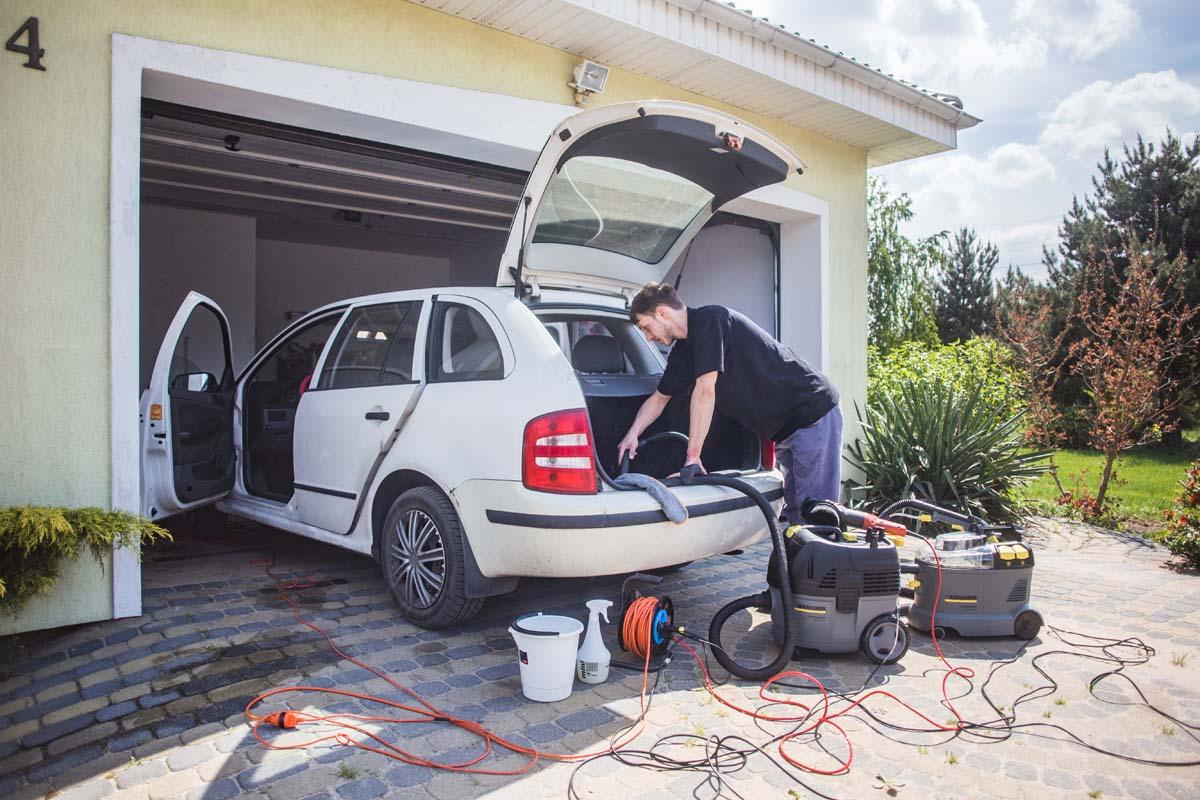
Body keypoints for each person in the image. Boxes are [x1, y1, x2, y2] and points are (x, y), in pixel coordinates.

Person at [617, 283, 842, 523]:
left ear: (662, 312)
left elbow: (705, 390)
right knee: (797, 516)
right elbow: (660, 398)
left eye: (646, 327)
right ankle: (798, 561)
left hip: (811, 414)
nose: (649, 338)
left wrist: (693, 456)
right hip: (786, 430)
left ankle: (829, 560)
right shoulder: (684, 350)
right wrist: (632, 434)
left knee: (817, 517)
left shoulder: (712, 320)